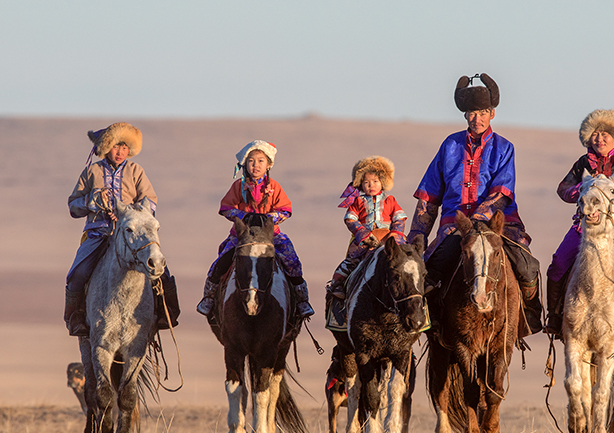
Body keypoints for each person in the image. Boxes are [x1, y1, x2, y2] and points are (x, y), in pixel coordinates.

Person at [407, 73, 543, 335]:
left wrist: (479, 220)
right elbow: (429, 195)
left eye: (482, 112)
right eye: (471, 112)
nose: (476, 118)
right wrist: (417, 236)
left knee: (527, 267)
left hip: (496, 225)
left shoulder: (504, 147)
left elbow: (502, 192)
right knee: (430, 273)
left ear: (492, 113)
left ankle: (529, 316)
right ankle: (433, 327)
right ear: (465, 115)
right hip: (454, 227)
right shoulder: (450, 145)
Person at [545, 109, 614, 340]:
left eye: (605, 134)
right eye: (595, 134)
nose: (600, 139)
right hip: (585, 223)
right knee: (558, 262)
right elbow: (563, 190)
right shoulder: (583, 163)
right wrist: (584, 189)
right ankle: (555, 317)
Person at [65, 122, 180, 337]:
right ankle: (76, 317)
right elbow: (73, 206)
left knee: (158, 268)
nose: (120, 152)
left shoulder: (136, 170)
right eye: (116, 147)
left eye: (125, 147)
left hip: (131, 235)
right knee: (77, 273)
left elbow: (150, 201)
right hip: (99, 233)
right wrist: (93, 201)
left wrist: (134, 212)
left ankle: (168, 312)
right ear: (106, 147)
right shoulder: (92, 171)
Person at [196, 140, 314, 319]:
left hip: (271, 236)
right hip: (242, 237)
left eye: (260, 161)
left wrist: (270, 218)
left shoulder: (274, 187)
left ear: (268, 164)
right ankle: (209, 298)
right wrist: (242, 216)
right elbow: (226, 208)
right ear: (245, 163)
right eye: (251, 160)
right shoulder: (238, 186)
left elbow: (286, 210)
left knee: (291, 260)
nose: (255, 165)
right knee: (220, 262)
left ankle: (301, 300)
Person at [328, 155, 407, 299]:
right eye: (366, 182)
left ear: (383, 182)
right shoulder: (358, 201)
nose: (371, 185)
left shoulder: (390, 200)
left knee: (406, 261)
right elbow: (350, 218)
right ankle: (337, 285)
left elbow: (399, 217)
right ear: (360, 184)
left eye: (375, 181)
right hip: (365, 240)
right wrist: (362, 233)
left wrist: (395, 234)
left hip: (387, 239)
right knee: (350, 262)